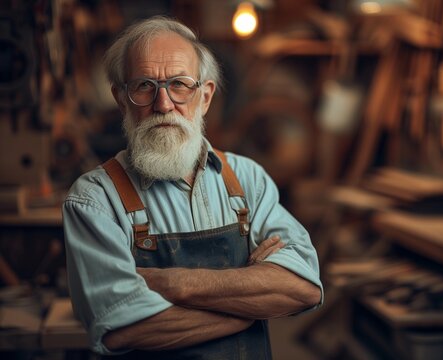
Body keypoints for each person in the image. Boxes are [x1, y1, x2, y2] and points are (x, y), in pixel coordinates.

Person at [62, 15, 323, 359]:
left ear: (206, 96)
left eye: (180, 84)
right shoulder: (94, 200)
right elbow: (123, 329)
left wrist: (175, 284)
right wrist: (250, 305)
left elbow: (303, 288)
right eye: (144, 86)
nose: (164, 104)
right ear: (121, 98)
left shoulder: (247, 179)